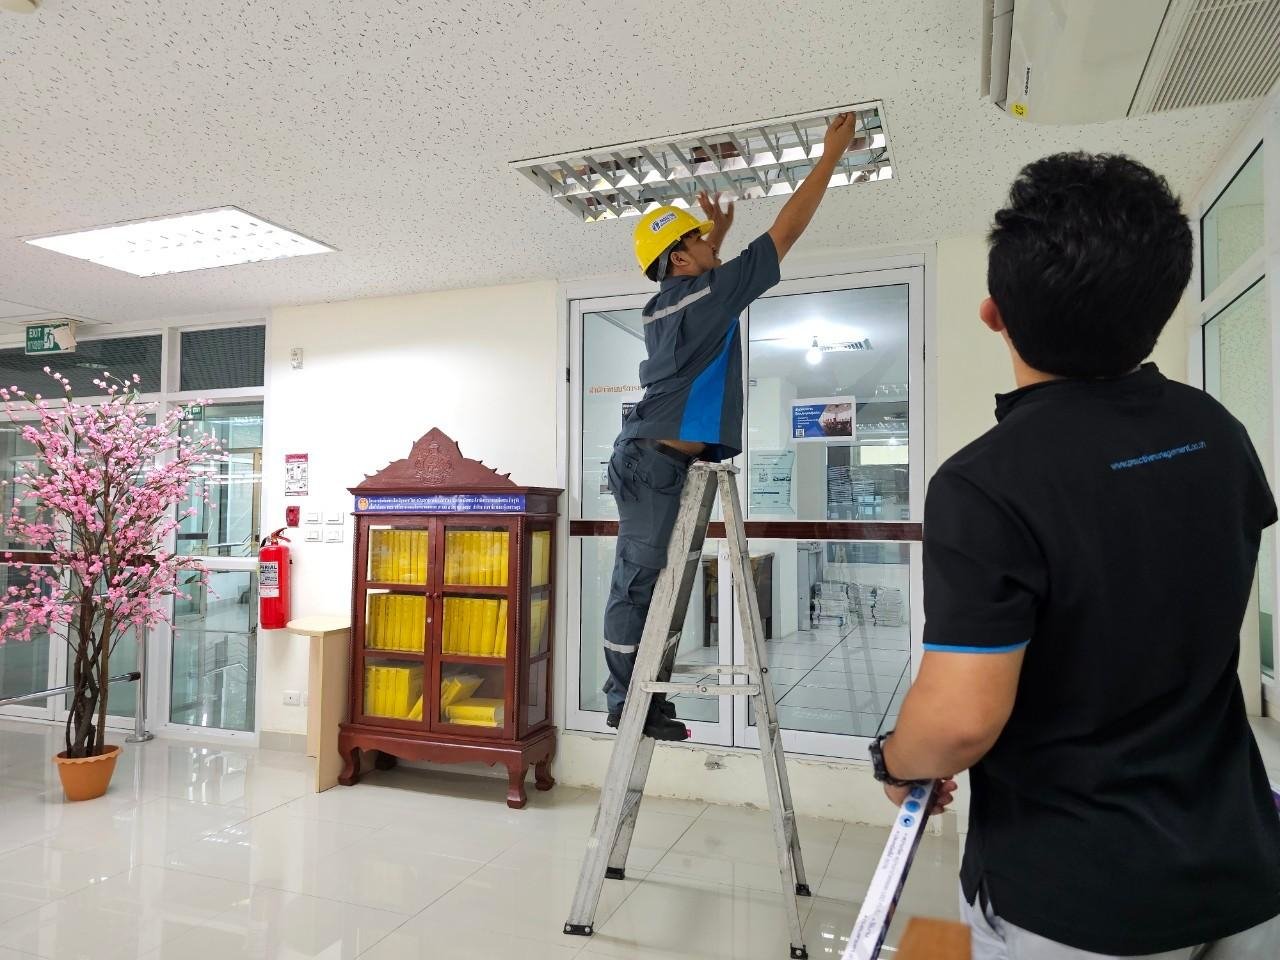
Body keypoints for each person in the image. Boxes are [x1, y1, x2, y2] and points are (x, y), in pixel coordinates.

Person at [868, 152, 1280, 958]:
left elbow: (957, 724)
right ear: (1160, 306)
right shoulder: (1215, 430)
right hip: (1242, 863)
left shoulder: (985, 483)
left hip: (1080, 901)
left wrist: (894, 759)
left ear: (995, 315)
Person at [602, 113, 860, 740]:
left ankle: (643, 695)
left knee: (659, 582)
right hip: (652, 462)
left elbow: (698, 270)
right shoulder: (703, 295)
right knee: (638, 582)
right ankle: (624, 702)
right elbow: (784, 233)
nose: (711, 246)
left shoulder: (673, 300)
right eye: (699, 242)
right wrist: (829, 156)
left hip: (661, 461)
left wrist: (710, 234)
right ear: (679, 256)